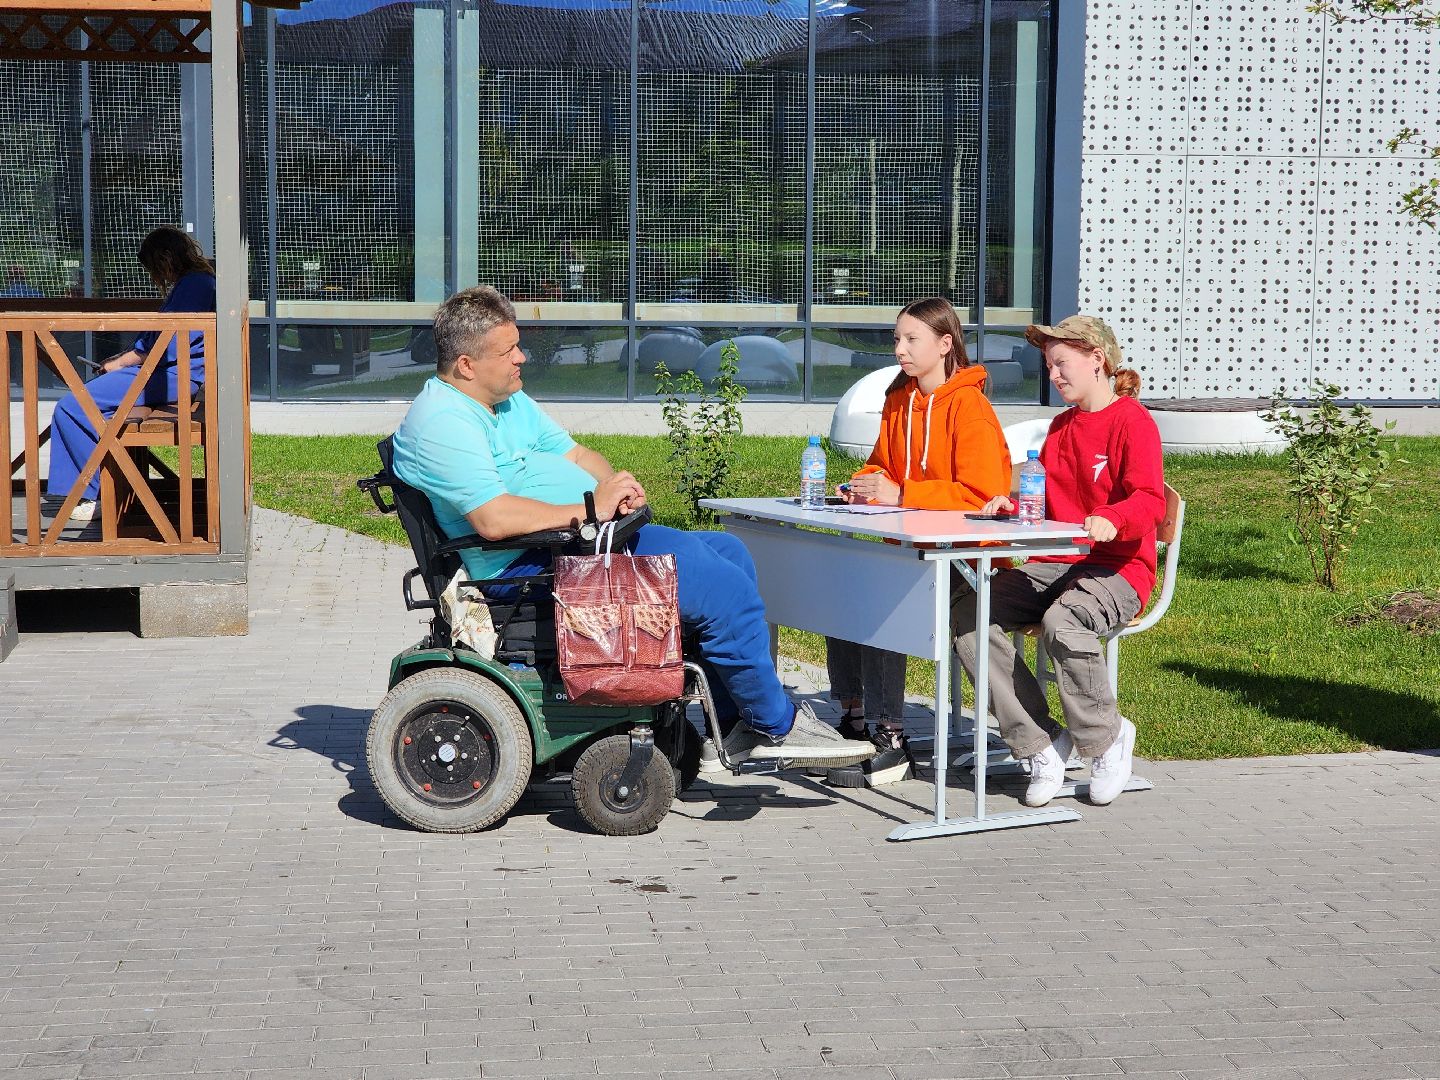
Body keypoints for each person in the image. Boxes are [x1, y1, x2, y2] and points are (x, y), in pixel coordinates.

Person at [390, 285, 873, 770]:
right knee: (720, 587)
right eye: (508, 350)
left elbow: (576, 454)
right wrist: (588, 508)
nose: (522, 357)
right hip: (529, 567)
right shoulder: (444, 423)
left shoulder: (505, 401)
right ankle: (776, 726)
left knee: (728, 552)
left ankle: (733, 725)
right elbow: (492, 521)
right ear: (467, 365)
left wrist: (614, 484)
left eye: (517, 344)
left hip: (578, 539)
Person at [953, 315, 1165, 808]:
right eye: (1049, 366)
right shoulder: (1061, 427)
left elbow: (1151, 500)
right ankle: (1041, 744)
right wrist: (1013, 504)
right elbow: (1043, 495)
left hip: (1118, 568)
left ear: (1098, 361)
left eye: (1062, 364)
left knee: (1062, 622)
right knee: (968, 613)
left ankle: (1105, 739)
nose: (1054, 375)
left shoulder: (1134, 422)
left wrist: (1114, 517)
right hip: (1057, 563)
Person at [824, 296, 1012, 787]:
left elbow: (982, 492)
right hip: (908, 544)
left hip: (964, 557)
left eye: (911, 340)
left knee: (887, 595)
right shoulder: (899, 397)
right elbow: (882, 463)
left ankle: (891, 736)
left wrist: (903, 492)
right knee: (841, 583)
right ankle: (854, 716)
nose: (899, 350)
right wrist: (861, 485)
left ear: (945, 344)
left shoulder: (971, 407)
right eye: (896, 339)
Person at [45, 227, 216, 521]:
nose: (155, 276)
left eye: (153, 267)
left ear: (165, 258)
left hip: (172, 376)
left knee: (72, 407)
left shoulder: (193, 286)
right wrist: (123, 360)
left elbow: (170, 344)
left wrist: (123, 362)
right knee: (88, 408)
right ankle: (102, 486)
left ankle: (95, 494)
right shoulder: (197, 282)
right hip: (170, 373)